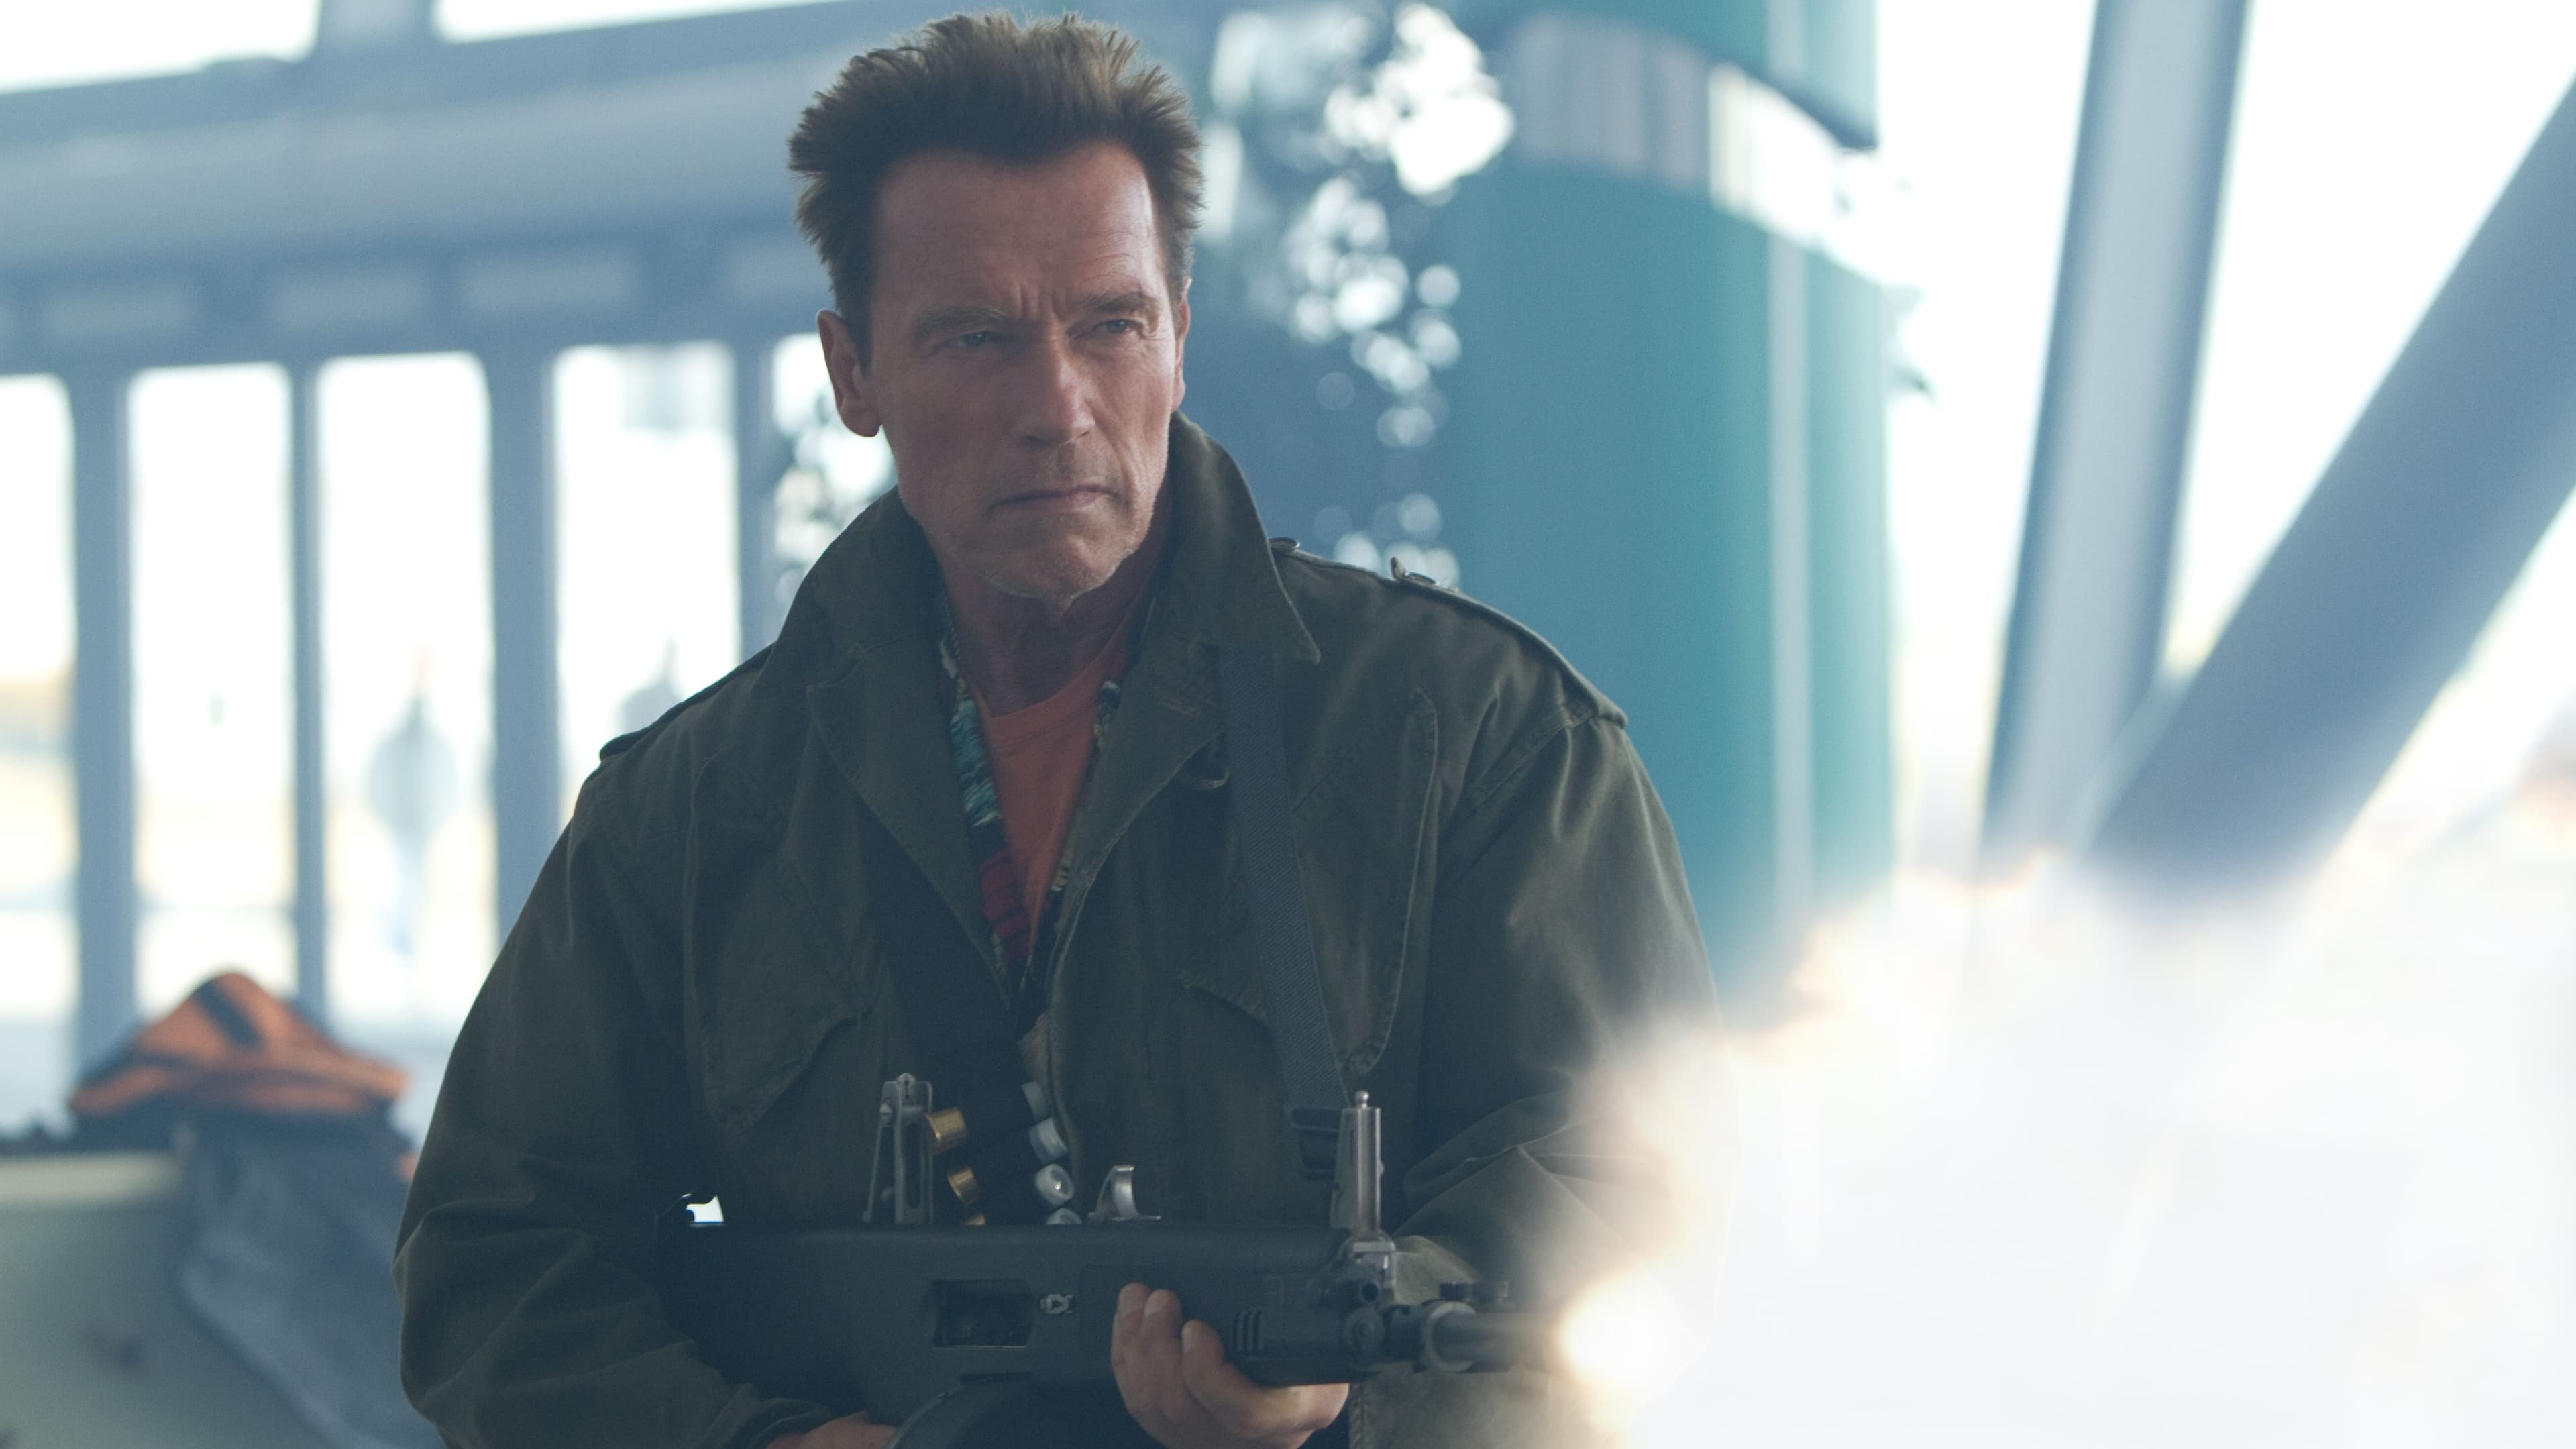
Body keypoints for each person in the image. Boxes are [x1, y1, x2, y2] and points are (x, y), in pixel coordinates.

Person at [393, 13, 1712, 1448]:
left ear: (1180, 340)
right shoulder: (700, 814)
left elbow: (1645, 1198)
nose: (1057, 408)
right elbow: (492, 1265)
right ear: (853, 374)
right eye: (976, 338)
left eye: (1111, 326)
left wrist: (1349, 1393)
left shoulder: (1476, 741)